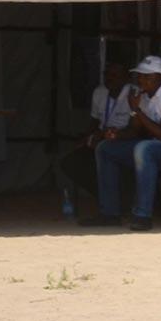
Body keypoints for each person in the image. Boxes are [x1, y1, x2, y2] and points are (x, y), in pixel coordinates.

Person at [85, 54, 161, 230]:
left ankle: (142, 216)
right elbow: (134, 130)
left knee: (144, 148)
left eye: (148, 76)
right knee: (106, 149)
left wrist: (137, 110)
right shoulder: (145, 97)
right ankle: (109, 213)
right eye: (140, 75)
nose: (142, 79)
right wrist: (116, 134)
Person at [59, 59, 132, 211]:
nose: (110, 78)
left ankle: (115, 202)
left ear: (126, 78)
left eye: (115, 75)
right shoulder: (99, 92)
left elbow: (136, 127)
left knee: (108, 155)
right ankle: (107, 197)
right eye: (107, 74)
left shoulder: (134, 94)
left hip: (124, 139)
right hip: (101, 138)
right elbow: (94, 119)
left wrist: (109, 135)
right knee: (70, 162)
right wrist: (86, 137)